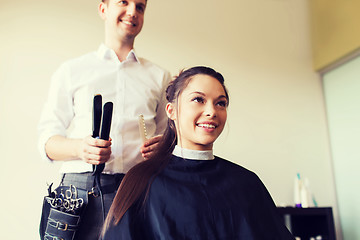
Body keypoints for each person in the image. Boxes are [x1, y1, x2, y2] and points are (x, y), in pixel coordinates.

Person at [101, 66, 295, 240]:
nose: (211, 111)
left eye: (221, 103)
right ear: (171, 111)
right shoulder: (142, 180)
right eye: (198, 100)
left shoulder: (247, 183)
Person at [38, 0, 171, 239]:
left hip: (136, 194)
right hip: (77, 195)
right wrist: (80, 148)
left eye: (140, 7)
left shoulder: (160, 78)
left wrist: (162, 150)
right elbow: (46, 142)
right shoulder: (71, 71)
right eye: (124, 2)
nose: (132, 11)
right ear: (103, 9)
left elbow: (169, 142)